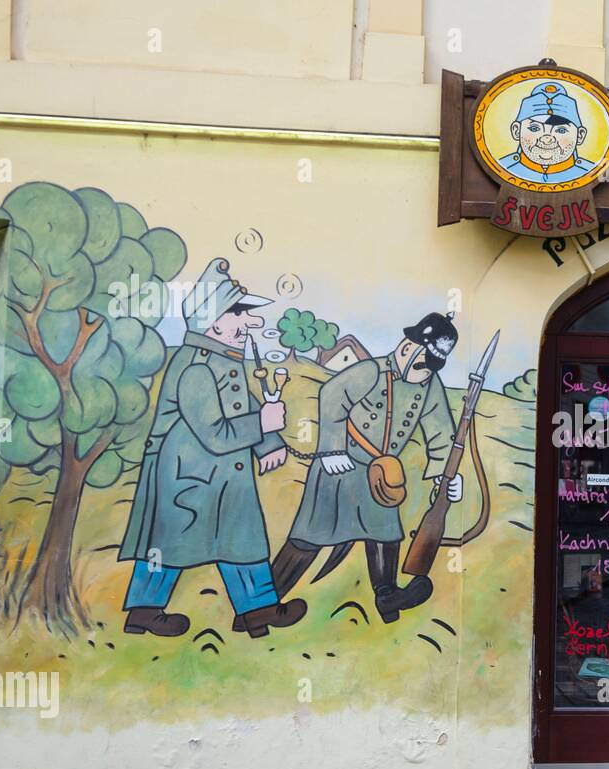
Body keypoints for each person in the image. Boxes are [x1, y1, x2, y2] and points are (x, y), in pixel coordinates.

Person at [118, 257, 306, 638]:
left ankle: (258, 611)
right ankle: (143, 613)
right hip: (186, 477)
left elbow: (246, 405)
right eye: (239, 312)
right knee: (169, 545)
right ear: (214, 320)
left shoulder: (222, 359)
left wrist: (269, 441)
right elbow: (215, 432)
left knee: (241, 538)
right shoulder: (197, 367)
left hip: (223, 476)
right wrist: (263, 426)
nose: (248, 321)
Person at [271, 312, 463, 623]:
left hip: (380, 475)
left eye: (430, 368)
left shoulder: (429, 385)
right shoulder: (370, 371)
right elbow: (332, 394)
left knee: (385, 535)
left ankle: (387, 597)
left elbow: (441, 430)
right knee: (310, 536)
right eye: (421, 365)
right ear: (406, 349)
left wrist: (447, 477)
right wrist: (332, 448)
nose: (424, 374)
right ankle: (265, 600)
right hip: (341, 468)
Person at [498, 81, 597, 185]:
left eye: (561, 130)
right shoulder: (502, 168)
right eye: (534, 128)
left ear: (580, 135)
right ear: (516, 131)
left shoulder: (592, 173)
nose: (546, 139)